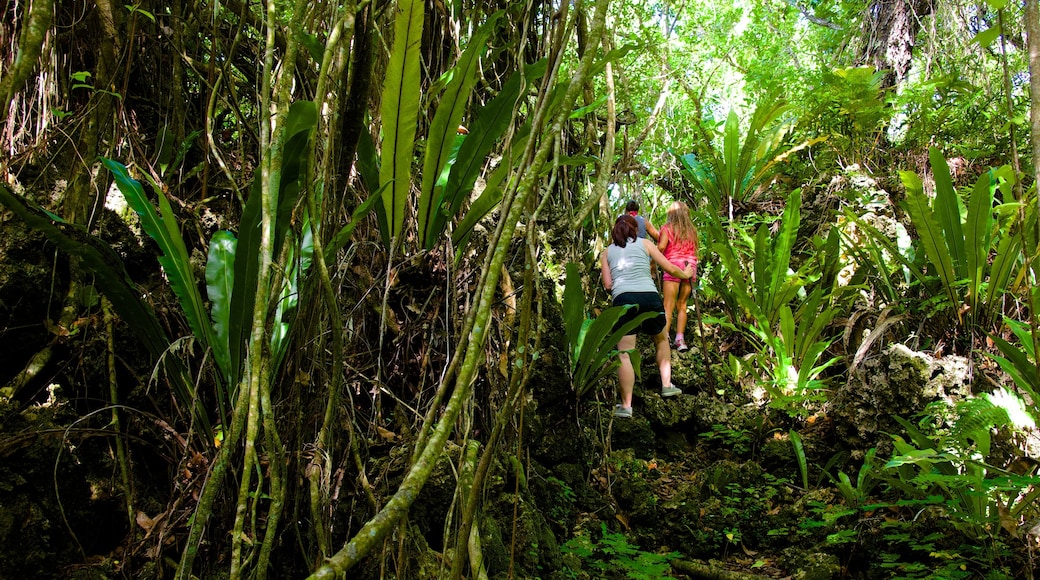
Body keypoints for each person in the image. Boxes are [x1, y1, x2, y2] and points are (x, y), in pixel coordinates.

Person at [600, 214, 695, 418]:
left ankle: (626, 406)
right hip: (650, 297)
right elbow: (669, 267)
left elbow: (608, 285)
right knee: (661, 340)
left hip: (624, 300)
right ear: (635, 229)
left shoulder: (606, 252)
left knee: (625, 352)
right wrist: (686, 274)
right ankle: (667, 385)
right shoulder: (645, 244)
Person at [657, 200, 699, 352]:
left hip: (673, 266)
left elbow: (661, 247)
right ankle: (680, 339)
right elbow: (695, 250)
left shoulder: (667, 228)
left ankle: (665, 337)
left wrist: (653, 259)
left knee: (668, 304)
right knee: (682, 304)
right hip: (689, 266)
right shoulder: (692, 230)